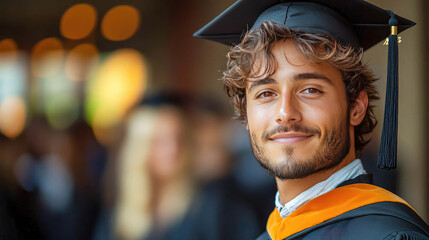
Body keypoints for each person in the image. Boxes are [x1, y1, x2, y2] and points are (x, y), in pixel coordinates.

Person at [194, 0, 429, 239]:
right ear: (245, 114)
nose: (285, 112)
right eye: (266, 94)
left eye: (310, 90)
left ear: (356, 106)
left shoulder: (390, 236)